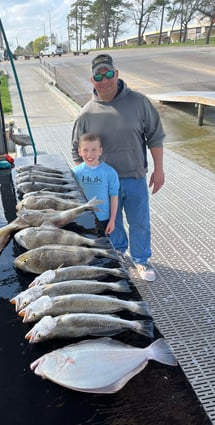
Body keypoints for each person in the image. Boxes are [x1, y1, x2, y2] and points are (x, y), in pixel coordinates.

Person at [71, 53, 165, 282]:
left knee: (139, 222)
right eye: (98, 76)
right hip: (104, 184)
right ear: (92, 80)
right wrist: (85, 180)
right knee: (111, 224)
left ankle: (141, 260)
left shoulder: (139, 102)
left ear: (117, 74)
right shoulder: (86, 114)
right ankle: (119, 254)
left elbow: (155, 137)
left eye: (109, 74)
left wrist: (159, 169)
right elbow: (77, 150)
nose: (105, 80)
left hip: (134, 177)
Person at [72, 133, 119, 236]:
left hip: (102, 219)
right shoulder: (75, 173)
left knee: (101, 248)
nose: (90, 154)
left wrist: (112, 220)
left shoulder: (110, 172)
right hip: (82, 217)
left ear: (100, 151)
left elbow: (114, 197)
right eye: (85, 150)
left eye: (94, 150)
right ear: (79, 151)